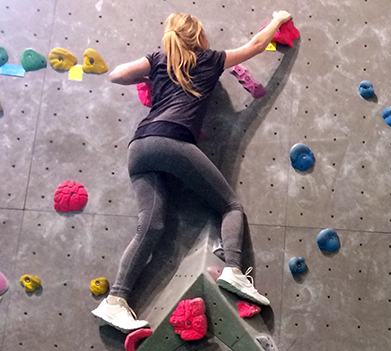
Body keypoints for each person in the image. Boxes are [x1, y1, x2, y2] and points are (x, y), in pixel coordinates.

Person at [92, 11, 292, 332]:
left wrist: (150, 77)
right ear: (199, 36)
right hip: (171, 140)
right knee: (230, 206)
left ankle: (116, 300)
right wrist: (277, 19)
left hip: (140, 147)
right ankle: (234, 272)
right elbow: (256, 46)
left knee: (152, 225)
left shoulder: (159, 59)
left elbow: (116, 74)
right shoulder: (209, 59)